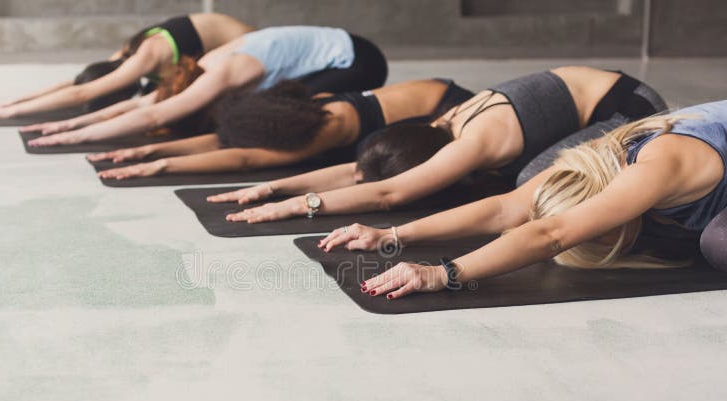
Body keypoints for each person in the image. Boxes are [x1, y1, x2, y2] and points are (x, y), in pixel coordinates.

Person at [320, 100, 727, 300]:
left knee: (717, 244)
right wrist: (394, 235)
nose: (593, 235)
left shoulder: (659, 166)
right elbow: (507, 207)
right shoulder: (597, 162)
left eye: (597, 233)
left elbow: (553, 234)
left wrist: (442, 274)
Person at [212, 66, 666, 224]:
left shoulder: (474, 143)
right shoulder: (444, 123)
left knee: (533, 187)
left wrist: (298, 207)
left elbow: (390, 193)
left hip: (632, 108)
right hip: (592, 95)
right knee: (513, 174)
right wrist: (275, 189)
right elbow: (359, 173)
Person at [22, 26, 388, 148]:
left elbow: (154, 113)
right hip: (331, 50)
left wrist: (76, 138)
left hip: (358, 58)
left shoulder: (222, 73)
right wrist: (71, 125)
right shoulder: (198, 68)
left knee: (289, 112)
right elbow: (144, 104)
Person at [86, 78, 473, 180]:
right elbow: (228, 141)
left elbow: (243, 159)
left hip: (448, 106)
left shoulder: (326, 128)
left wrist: (162, 167)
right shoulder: (304, 108)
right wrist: (149, 150)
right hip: (429, 90)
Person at [0, 13, 254, 122]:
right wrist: (8, 102)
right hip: (212, 45)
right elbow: (75, 85)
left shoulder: (144, 59)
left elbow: (83, 95)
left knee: (178, 105)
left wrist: (11, 113)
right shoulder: (123, 56)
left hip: (249, 44)